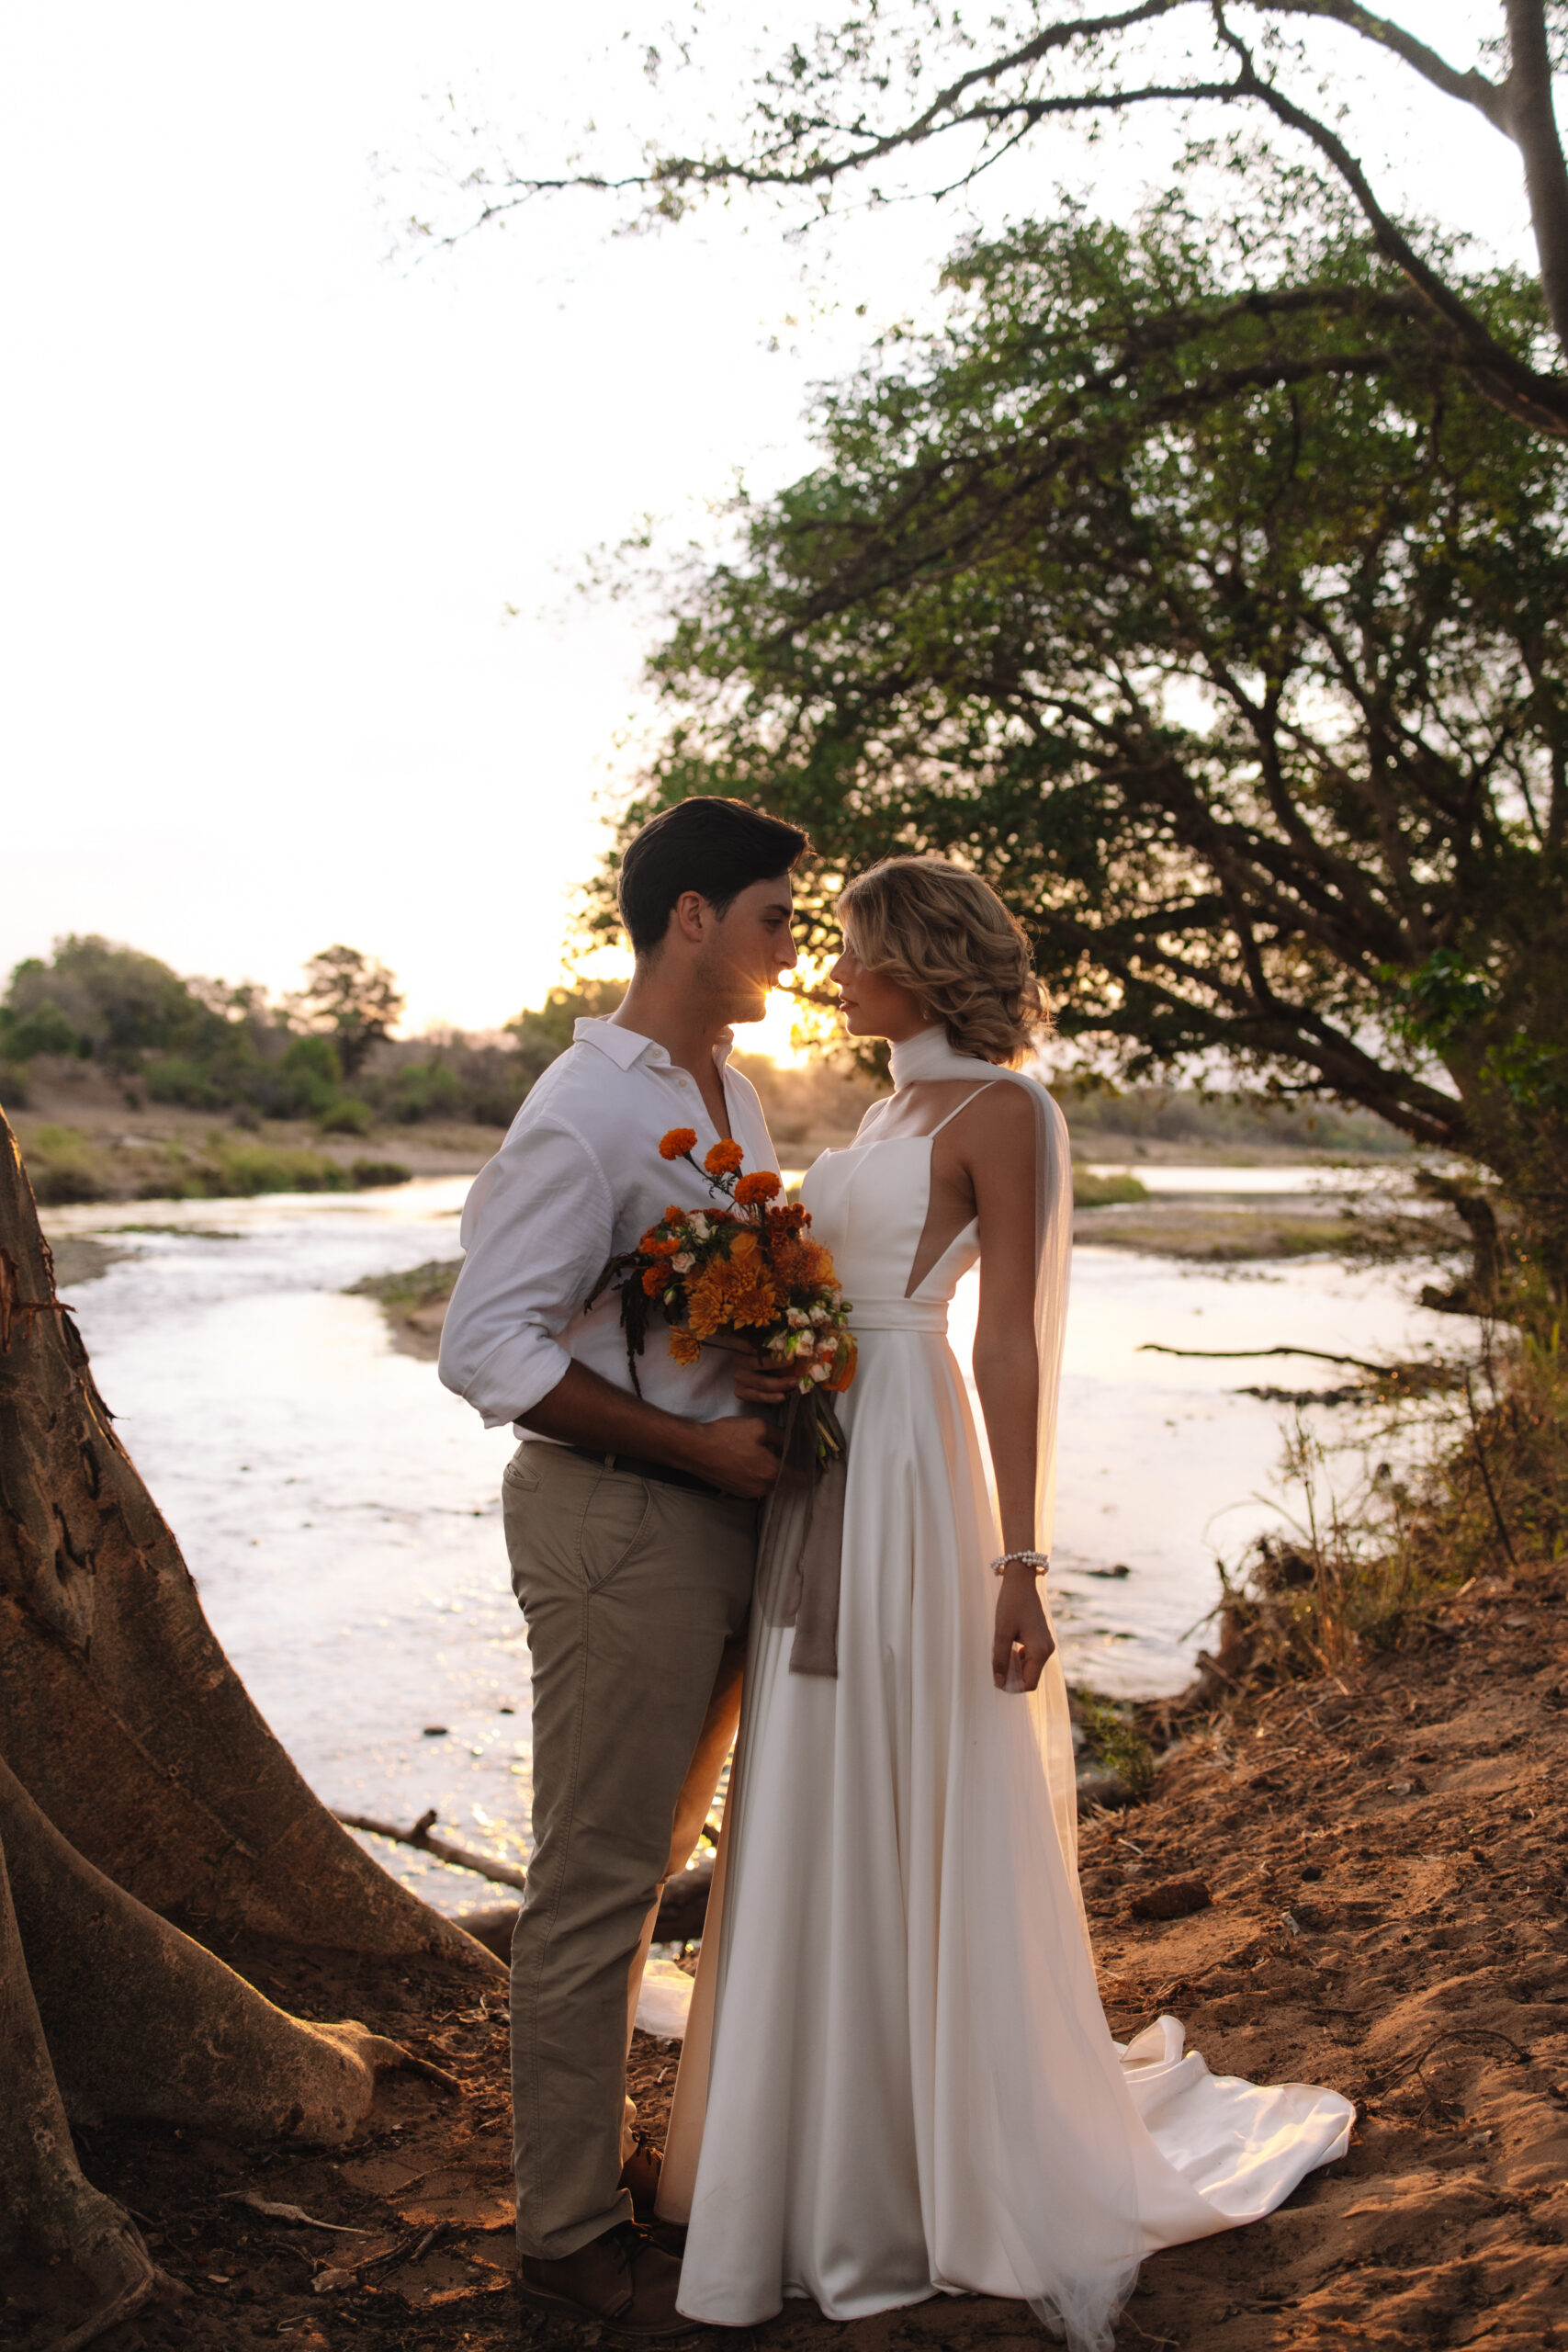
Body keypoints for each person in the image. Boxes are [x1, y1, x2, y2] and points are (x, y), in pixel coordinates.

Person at [658, 854, 1354, 2352]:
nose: (834, 974)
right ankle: (821, 2135)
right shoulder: (888, 1105)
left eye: (853, 952)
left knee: (910, 1761)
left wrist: (1019, 1563)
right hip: (828, 1455)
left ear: (922, 961)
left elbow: (1016, 1337)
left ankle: (929, 2163)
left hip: (914, 1464)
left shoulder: (1004, 1111)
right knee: (819, 1769)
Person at [438, 796, 808, 2335]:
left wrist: (784, 1379)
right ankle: (564, 2232)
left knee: (669, 1868)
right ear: (691, 919)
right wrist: (695, 1448)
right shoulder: (586, 1107)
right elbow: (485, 1348)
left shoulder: (732, 1094)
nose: (793, 944)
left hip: (729, 1515)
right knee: (598, 1880)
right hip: (622, 1523)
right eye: (779, 917)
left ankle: (647, 2174)